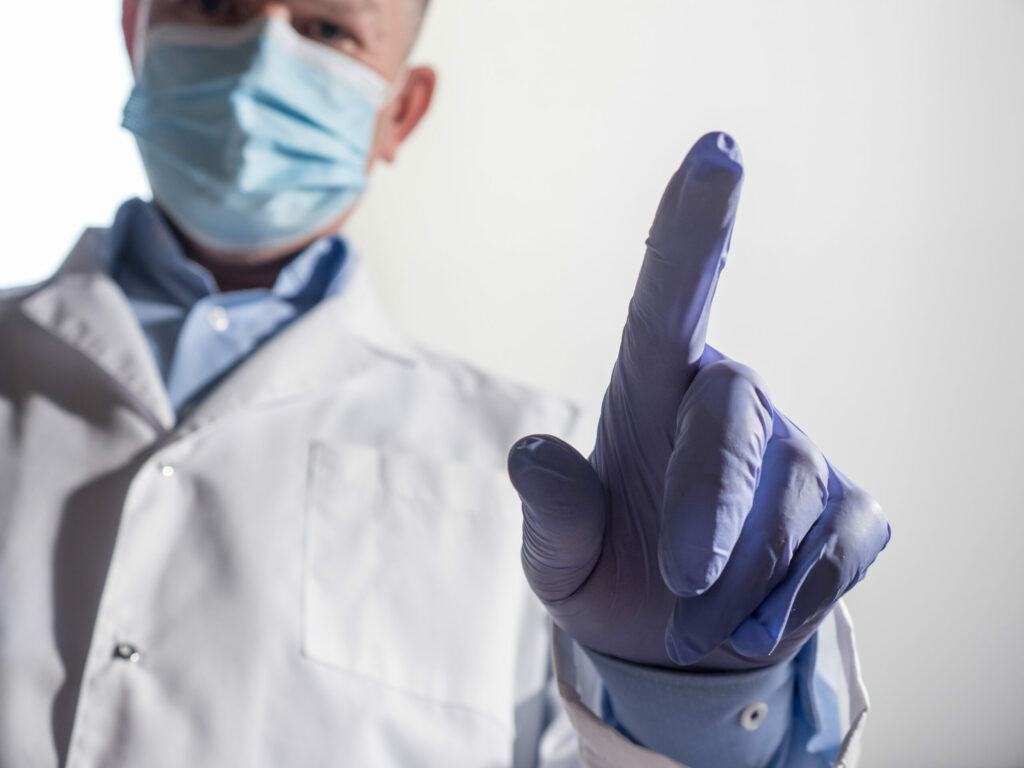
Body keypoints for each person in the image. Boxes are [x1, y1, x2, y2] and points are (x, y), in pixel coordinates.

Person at [0, 0, 891, 766]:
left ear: (400, 111)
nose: (261, 57)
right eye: (217, 6)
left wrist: (685, 706)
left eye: (327, 27)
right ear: (134, 31)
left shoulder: (557, 480)